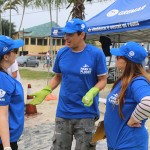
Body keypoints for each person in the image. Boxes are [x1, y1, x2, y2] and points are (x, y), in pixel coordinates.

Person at [29, 18, 108, 150]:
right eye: (65, 34)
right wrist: (46, 90)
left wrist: (92, 91)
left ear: (81, 35)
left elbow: (103, 80)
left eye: (70, 34)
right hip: (63, 113)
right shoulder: (62, 53)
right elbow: (58, 77)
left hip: (86, 113)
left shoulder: (96, 54)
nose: (66, 37)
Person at [104, 41, 150, 150]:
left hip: (130, 145)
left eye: (118, 56)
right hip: (118, 144)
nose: (115, 58)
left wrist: (132, 120)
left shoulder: (137, 81)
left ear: (128, 61)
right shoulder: (124, 80)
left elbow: (148, 103)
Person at [0, 35, 24, 150]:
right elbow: (1, 115)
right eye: (15, 51)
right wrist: (7, 146)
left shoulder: (5, 77)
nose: (16, 54)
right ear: (5, 56)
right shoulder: (2, 80)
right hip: (5, 141)